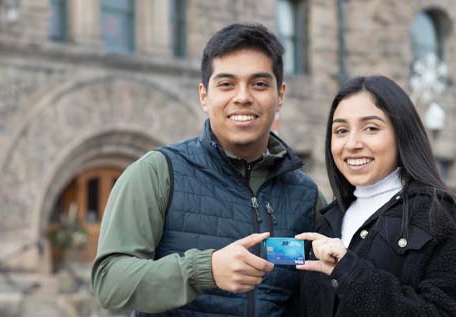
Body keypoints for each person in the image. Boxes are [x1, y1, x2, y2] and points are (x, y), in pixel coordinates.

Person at [91, 23, 325, 316]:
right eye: (226, 84)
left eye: (259, 84)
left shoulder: (305, 194)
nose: (242, 97)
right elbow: (110, 282)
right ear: (204, 95)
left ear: (280, 95)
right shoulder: (157, 173)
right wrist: (205, 270)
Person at [295, 76, 456, 316]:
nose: (352, 143)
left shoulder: (438, 216)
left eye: (371, 128)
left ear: (402, 134)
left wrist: (351, 273)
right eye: (341, 130)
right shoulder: (327, 222)